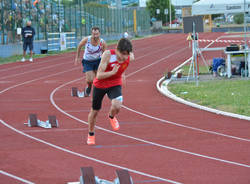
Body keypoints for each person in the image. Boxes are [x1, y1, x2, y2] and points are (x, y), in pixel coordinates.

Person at [86, 38, 134, 145]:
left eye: (127, 54)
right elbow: (98, 75)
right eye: (122, 54)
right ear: (116, 49)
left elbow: (125, 64)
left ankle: (111, 116)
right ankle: (91, 134)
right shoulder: (108, 55)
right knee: (95, 111)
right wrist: (112, 72)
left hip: (115, 84)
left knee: (117, 106)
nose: (124, 57)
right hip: (100, 84)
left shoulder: (130, 57)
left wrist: (122, 74)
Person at [74, 26, 107, 97]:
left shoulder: (102, 42)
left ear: (99, 34)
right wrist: (77, 57)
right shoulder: (87, 40)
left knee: (98, 78)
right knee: (90, 80)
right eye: (93, 34)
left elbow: (105, 53)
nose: (95, 36)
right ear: (91, 33)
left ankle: (98, 92)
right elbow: (79, 46)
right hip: (87, 61)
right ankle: (89, 87)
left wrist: (105, 62)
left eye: (97, 34)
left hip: (98, 61)